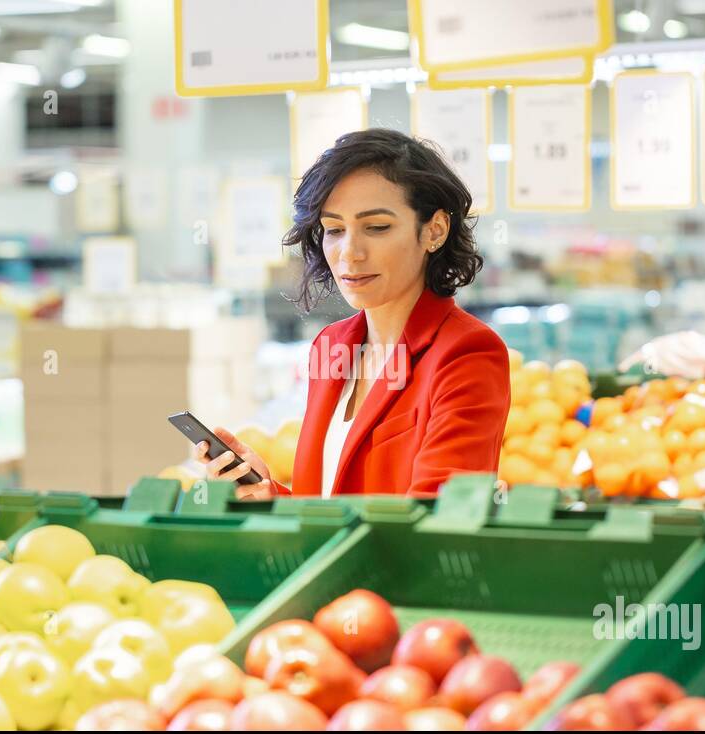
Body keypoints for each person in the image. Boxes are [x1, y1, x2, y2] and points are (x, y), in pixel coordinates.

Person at [195, 128, 511, 499]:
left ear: (435, 230)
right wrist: (270, 497)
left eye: (376, 227)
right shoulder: (331, 346)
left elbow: (431, 523)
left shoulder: (466, 353)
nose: (350, 252)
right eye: (334, 229)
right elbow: (326, 505)